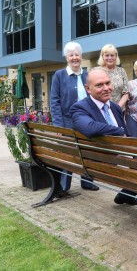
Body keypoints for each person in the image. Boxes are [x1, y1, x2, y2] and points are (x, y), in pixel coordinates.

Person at [70, 67, 137, 206]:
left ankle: (126, 196)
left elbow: (125, 135)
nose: (106, 88)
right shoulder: (80, 108)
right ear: (88, 88)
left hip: (119, 155)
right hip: (102, 162)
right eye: (99, 85)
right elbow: (89, 128)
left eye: (108, 83)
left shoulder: (115, 107)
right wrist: (118, 130)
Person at [50, 41, 98, 192]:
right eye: (71, 55)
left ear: (81, 56)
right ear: (66, 58)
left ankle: (87, 182)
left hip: (86, 121)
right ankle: (64, 186)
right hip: (67, 121)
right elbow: (54, 101)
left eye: (77, 54)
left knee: (87, 151)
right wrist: (58, 125)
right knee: (68, 153)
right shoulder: (59, 75)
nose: (75, 58)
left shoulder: (87, 75)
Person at [97, 44, 129, 109]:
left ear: (116, 56)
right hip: (101, 110)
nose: (110, 58)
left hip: (119, 110)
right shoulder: (96, 71)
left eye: (112, 55)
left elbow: (126, 92)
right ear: (102, 57)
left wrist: (117, 108)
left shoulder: (121, 71)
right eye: (107, 55)